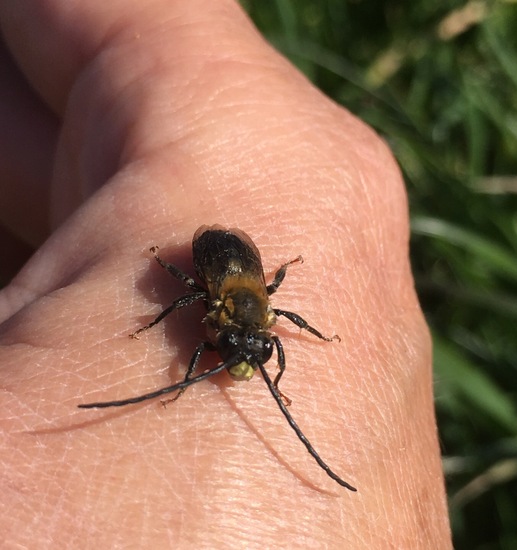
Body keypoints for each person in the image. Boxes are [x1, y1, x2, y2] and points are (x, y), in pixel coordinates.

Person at [0, 1, 451, 547]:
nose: (246, 354)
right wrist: (158, 299)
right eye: (247, 347)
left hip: (239, 256)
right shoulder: (219, 308)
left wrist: (277, 384)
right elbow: (188, 325)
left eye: (253, 349)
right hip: (217, 252)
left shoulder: (262, 325)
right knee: (180, 301)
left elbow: (271, 342)